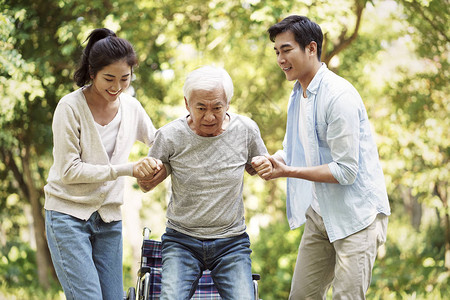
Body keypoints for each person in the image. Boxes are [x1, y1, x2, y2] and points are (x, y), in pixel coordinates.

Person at [251, 15, 391, 299]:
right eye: (276, 51)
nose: (280, 59)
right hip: (320, 213)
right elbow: (297, 149)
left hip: (356, 217)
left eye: (287, 49)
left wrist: (287, 171)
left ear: (311, 48)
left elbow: (345, 171)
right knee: (302, 296)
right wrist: (275, 160)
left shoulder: (338, 96)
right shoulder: (298, 94)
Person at [44, 28, 161, 300]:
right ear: (92, 72)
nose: (117, 87)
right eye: (109, 78)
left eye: (125, 79)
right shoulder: (70, 107)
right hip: (67, 215)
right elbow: (69, 171)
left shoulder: (131, 108)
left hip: (109, 219)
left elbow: (159, 142)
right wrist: (128, 169)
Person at [137, 66, 272, 300]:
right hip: (181, 241)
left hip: (231, 242)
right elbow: (145, 185)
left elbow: (260, 169)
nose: (209, 117)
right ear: (187, 104)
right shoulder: (169, 135)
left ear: (228, 103)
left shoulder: (246, 130)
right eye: (201, 108)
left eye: (217, 108)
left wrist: (265, 165)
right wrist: (146, 173)